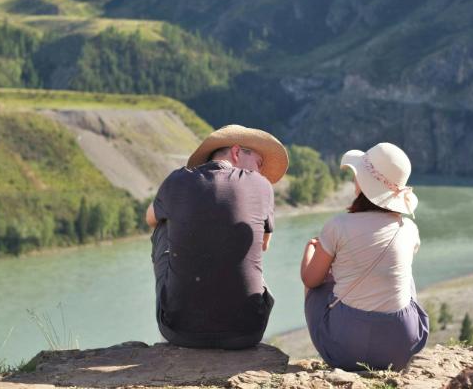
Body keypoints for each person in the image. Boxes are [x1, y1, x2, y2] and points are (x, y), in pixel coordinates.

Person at [146, 124, 289, 349]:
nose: (260, 173)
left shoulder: (176, 180)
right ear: (236, 152)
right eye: (259, 164)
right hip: (248, 331)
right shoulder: (261, 185)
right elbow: (263, 245)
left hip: (180, 333)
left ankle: (183, 311)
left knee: (163, 226)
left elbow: (150, 219)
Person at [300, 142, 429, 371]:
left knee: (320, 281)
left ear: (362, 182)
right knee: (404, 276)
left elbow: (311, 280)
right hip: (401, 346)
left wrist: (310, 250)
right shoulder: (408, 229)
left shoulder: (337, 225)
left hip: (346, 349)